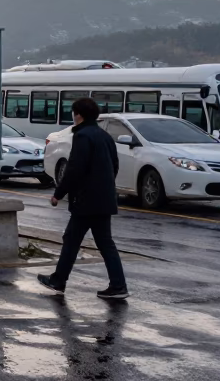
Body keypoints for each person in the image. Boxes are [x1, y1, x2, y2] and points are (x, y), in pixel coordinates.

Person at [38, 96, 129, 299]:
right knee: (105, 243)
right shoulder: (105, 137)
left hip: (86, 200)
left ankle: (58, 280)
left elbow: (74, 169)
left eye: (74, 112)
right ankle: (118, 286)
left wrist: (58, 194)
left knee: (71, 239)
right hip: (104, 199)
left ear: (78, 114)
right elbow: (114, 166)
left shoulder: (82, 136)